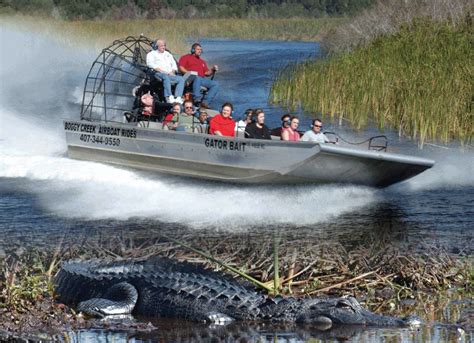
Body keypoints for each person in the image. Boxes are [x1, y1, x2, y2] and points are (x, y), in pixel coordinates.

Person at [178, 43, 219, 108]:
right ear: (193, 50)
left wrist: (213, 69)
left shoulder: (202, 61)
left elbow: (207, 73)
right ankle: (197, 99)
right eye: (198, 49)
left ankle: (205, 102)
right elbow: (181, 68)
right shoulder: (185, 57)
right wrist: (190, 73)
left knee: (215, 84)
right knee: (197, 77)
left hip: (201, 79)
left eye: (201, 50)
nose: (200, 51)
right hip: (190, 78)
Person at [146, 39, 185, 104]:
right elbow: (150, 64)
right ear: (156, 46)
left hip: (170, 74)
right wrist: (163, 71)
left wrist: (173, 71)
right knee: (165, 77)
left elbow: (174, 64)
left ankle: (178, 97)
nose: (163, 47)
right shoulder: (151, 54)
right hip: (158, 73)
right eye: (161, 46)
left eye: (164, 45)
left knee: (181, 79)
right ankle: (169, 96)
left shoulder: (168, 54)